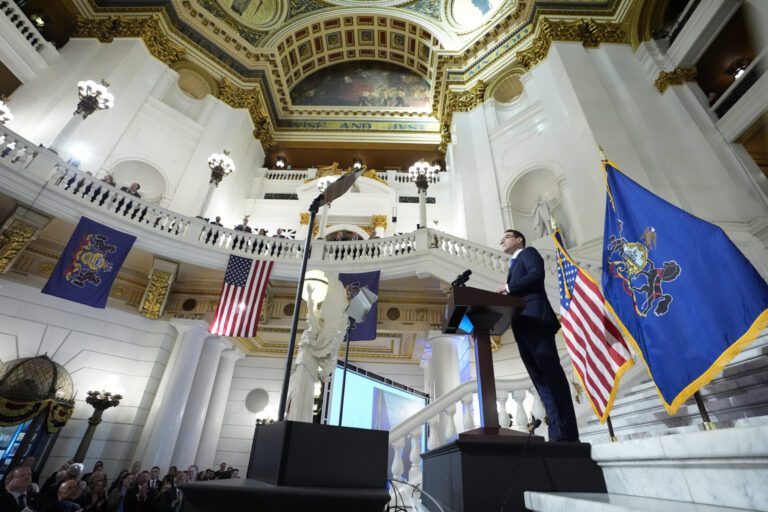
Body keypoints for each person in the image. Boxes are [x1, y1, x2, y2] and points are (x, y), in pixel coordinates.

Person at [495, 229, 579, 442]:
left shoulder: (528, 253)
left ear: (519, 239)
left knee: (551, 375)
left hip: (536, 319)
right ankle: (556, 432)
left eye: (506, 236)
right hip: (521, 324)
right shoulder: (512, 264)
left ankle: (567, 431)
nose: (501, 240)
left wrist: (507, 287)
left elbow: (536, 275)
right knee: (540, 381)